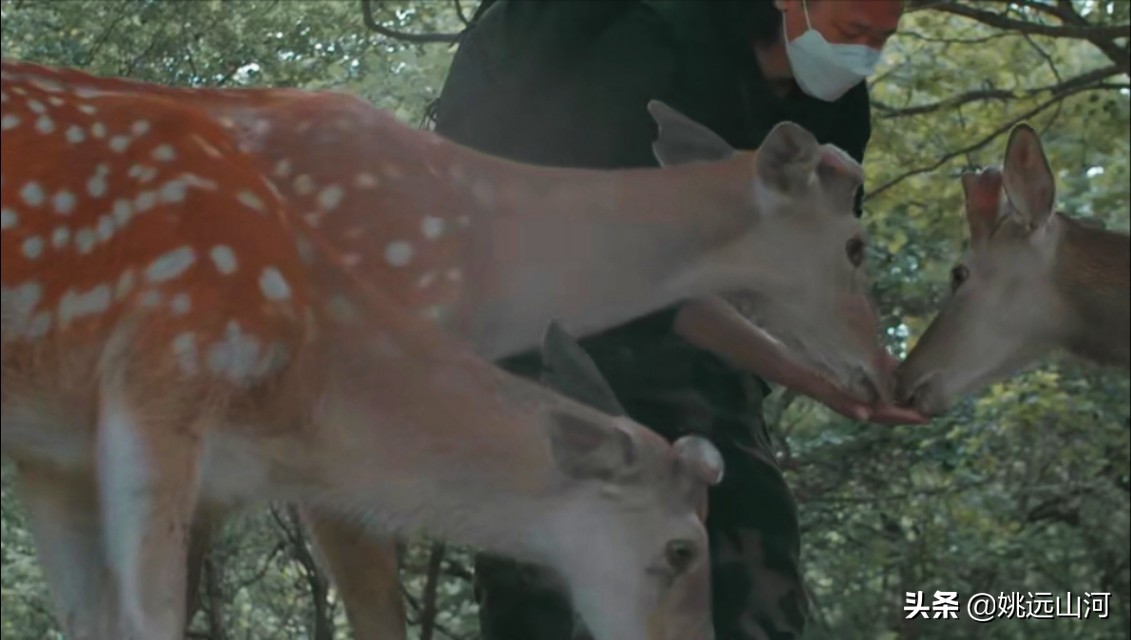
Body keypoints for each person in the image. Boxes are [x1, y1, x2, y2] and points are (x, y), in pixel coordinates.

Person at [429, 1, 907, 638]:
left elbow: (803, 269)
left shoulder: (837, 106)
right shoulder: (648, 38)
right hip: (533, 320)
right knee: (549, 572)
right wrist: (817, 376)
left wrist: (859, 363)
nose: (864, 54)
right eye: (853, 33)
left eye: (880, 38)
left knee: (749, 544)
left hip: (699, 355)